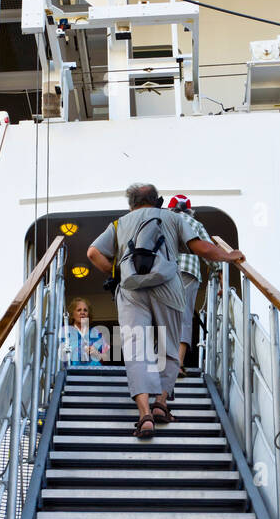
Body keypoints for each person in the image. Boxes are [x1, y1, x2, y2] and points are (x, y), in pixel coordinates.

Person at [87, 182, 244, 438]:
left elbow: (93, 253)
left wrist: (115, 272)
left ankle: (144, 415)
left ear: (131, 204)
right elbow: (201, 248)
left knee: (137, 348)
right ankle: (161, 403)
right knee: (169, 344)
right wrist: (229, 256)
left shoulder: (119, 223)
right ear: (157, 199)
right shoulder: (172, 217)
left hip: (130, 290)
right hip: (168, 288)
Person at [166, 194, 220, 381]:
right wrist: (219, 272)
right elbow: (208, 249)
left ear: (170, 208)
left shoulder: (163, 221)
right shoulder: (195, 224)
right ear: (189, 209)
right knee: (184, 318)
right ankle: (178, 365)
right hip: (188, 274)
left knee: (162, 316)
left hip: (163, 273)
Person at [65, 296, 109, 365]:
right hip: (72, 374)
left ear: (88, 314)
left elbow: (106, 358)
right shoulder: (65, 333)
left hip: (95, 374)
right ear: (72, 314)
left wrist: (97, 354)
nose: (82, 312)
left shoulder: (97, 334)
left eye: (85, 310)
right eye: (79, 310)